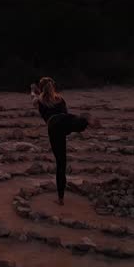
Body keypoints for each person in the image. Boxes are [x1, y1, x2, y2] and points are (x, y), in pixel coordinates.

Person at [30, 76, 91, 204]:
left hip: (54, 128)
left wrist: (33, 90)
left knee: (61, 163)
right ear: (53, 86)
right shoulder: (60, 99)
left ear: (41, 88)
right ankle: (86, 122)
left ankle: (60, 198)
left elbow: (34, 98)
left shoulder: (39, 100)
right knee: (77, 122)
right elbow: (65, 112)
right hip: (65, 121)